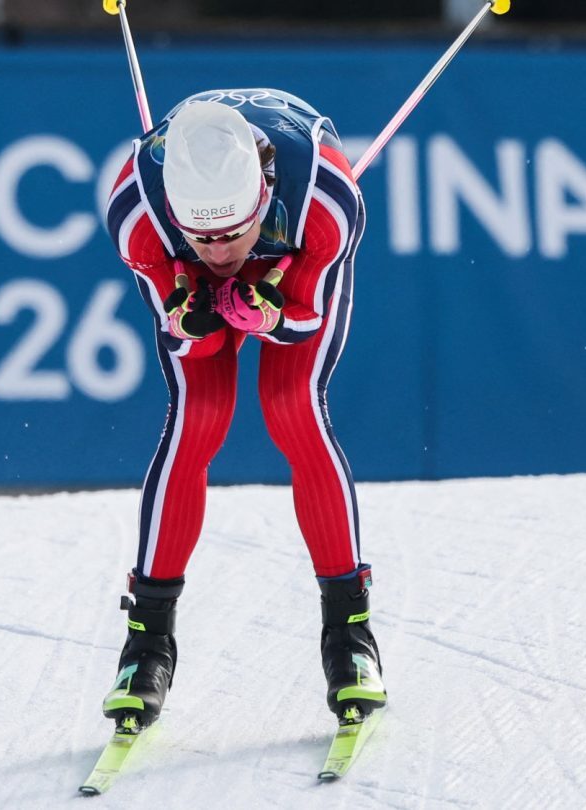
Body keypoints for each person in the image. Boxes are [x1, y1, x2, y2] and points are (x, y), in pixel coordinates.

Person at [100, 89, 386, 732]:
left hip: (293, 260)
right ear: (177, 214)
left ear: (261, 196)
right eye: (203, 237)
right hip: (186, 263)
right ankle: (146, 646)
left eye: (234, 233)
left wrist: (272, 313)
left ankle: (351, 639)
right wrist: (193, 313)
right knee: (197, 419)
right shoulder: (137, 214)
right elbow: (183, 339)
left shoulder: (326, 202)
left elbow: (305, 316)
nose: (222, 252)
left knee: (294, 408)